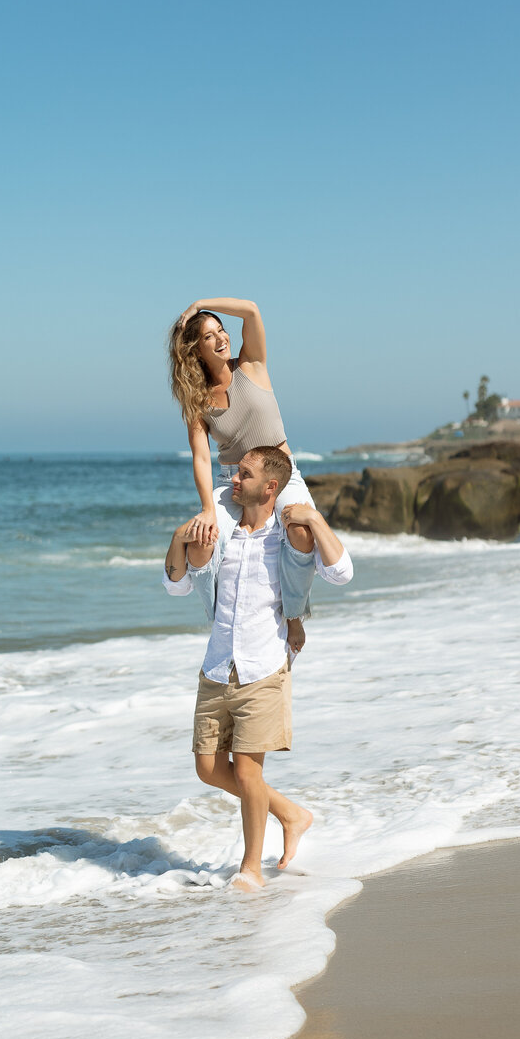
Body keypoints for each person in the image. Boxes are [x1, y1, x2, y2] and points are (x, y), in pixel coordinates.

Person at [162, 445, 353, 891]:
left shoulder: (287, 539)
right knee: (208, 769)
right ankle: (291, 814)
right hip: (216, 666)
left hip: (263, 668)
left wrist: (316, 518)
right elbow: (176, 587)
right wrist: (179, 536)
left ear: (270, 487)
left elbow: (341, 573)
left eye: (243, 474)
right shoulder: (221, 533)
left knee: (248, 772)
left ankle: (251, 869)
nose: (233, 480)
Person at [168, 297, 315, 654]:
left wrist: (200, 303)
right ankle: (220, 617)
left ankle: (293, 613)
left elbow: (251, 310)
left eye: (221, 330)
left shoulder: (252, 365)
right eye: (208, 336)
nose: (221, 338)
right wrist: (207, 507)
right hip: (233, 480)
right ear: (196, 349)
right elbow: (202, 458)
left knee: (300, 531)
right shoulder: (197, 398)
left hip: (281, 471)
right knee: (203, 540)